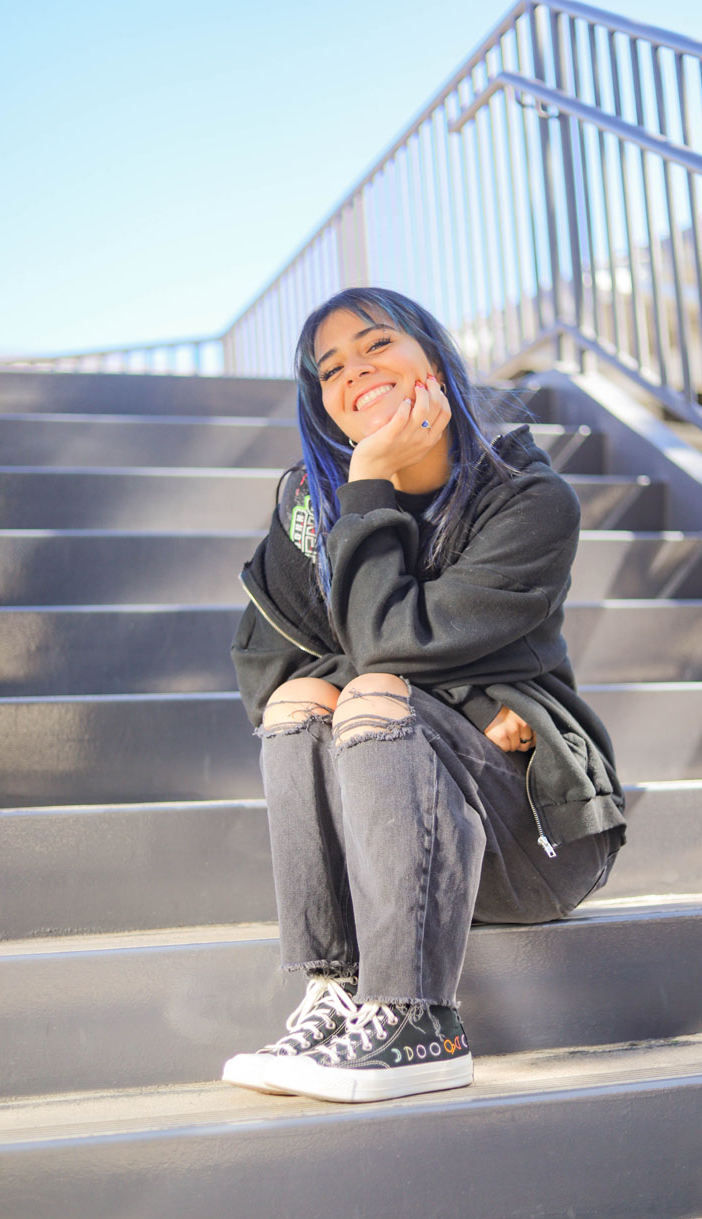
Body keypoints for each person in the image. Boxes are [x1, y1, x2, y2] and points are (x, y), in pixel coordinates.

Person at [222, 287, 626, 1105]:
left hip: (532, 843)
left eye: (376, 346)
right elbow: (265, 676)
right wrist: (478, 700)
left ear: (433, 360)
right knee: (300, 708)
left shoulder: (526, 500)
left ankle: (417, 1018)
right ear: (323, 405)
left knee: (371, 692)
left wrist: (370, 480)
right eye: (330, 369)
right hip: (390, 853)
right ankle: (338, 991)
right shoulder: (310, 511)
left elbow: (386, 648)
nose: (354, 373)